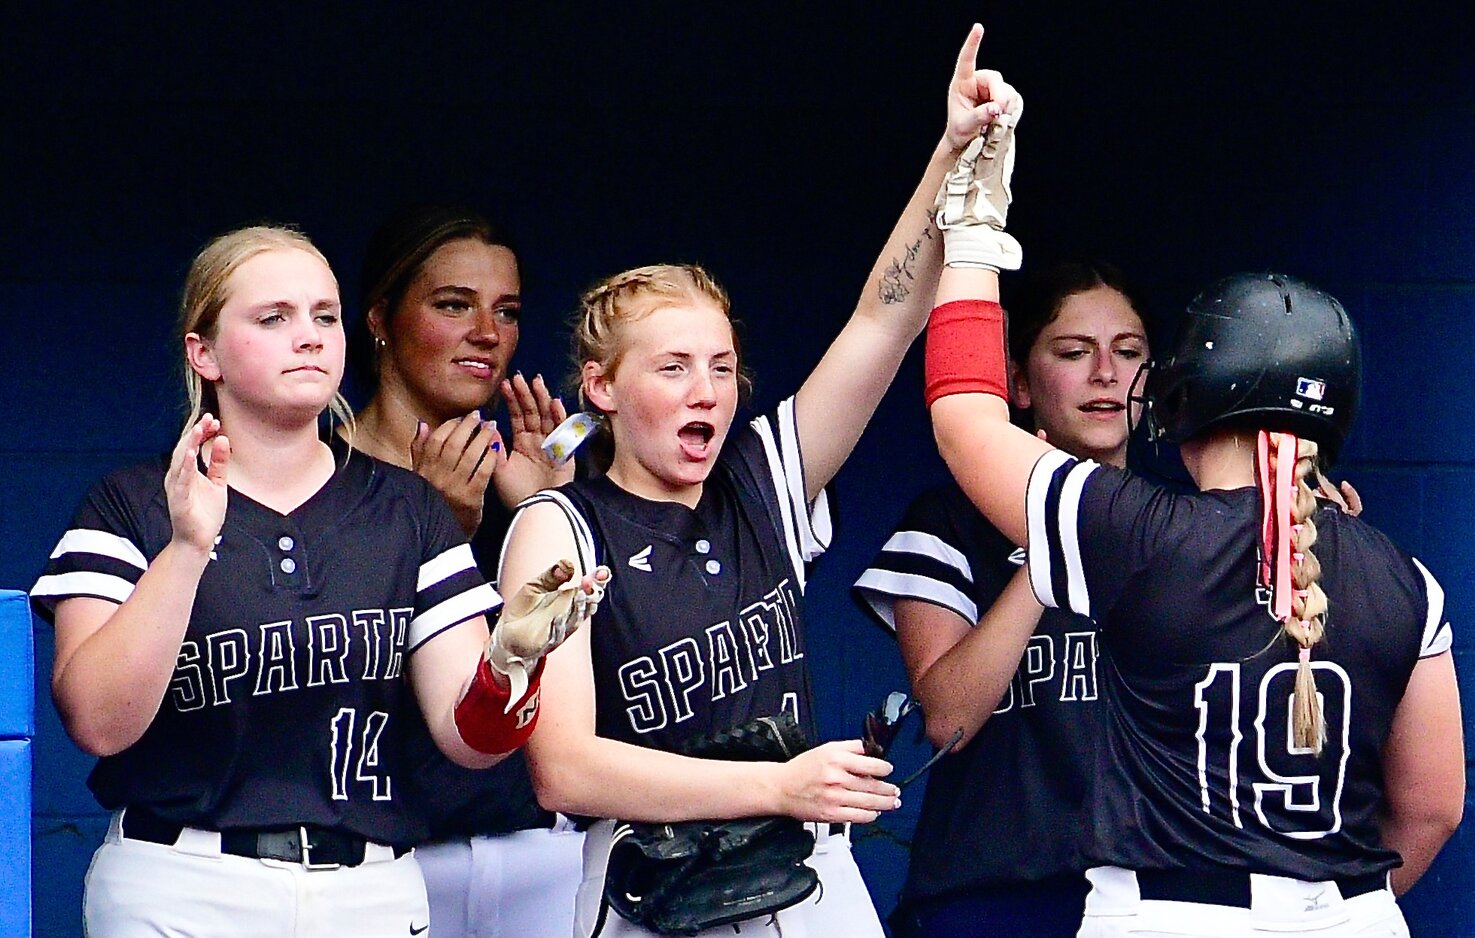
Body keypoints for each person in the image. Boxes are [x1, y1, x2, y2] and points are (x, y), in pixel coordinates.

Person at [495, 25, 1019, 938]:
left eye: (721, 367)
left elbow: (879, 324)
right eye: (671, 369)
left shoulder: (757, 478)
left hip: (804, 865)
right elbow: (564, 769)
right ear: (602, 387)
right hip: (648, 877)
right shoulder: (561, 525)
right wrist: (777, 783)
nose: (706, 392)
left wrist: (950, 156)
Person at [922, 96, 1465, 937]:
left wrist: (973, 236)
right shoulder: (1408, 576)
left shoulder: (1143, 536)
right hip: (1352, 917)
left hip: (1176, 915)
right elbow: (1433, 810)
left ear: (1185, 396)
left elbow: (963, 420)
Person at [30, 225, 590, 937]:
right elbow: (97, 722)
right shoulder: (131, 503)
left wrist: (512, 665)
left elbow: (473, 742)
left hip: (369, 887)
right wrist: (188, 546)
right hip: (179, 881)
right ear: (203, 352)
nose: (310, 336)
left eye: (324, 316)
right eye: (274, 318)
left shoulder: (407, 507)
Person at [854, 260, 1149, 937]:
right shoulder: (950, 521)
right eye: (1074, 352)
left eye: (1128, 353)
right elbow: (948, 718)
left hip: (1147, 892)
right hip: (989, 892)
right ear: (1018, 381)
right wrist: (1048, 544)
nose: (1106, 372)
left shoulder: (1182, 526)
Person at [344, 204, 584, 938]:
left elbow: (602, 673)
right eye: (454, 305)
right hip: (375, 865)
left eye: (506, 312)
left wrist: (559, 508)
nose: (488, 334)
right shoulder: (314, 463)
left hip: (536, 852)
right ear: (381, 317)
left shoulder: (526, 474)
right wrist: (434, 531)